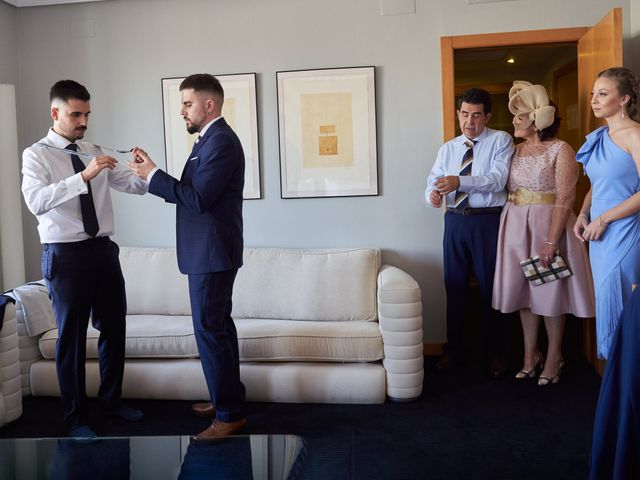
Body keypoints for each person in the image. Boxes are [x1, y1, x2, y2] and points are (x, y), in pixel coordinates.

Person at [21, 80, 147, 438]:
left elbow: (132, 185)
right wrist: (83, 176)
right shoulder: (37, 155)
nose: (83, 121)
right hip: (65, 255)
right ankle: (75, 418)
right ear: (55, 113)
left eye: (87, 114)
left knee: (114, 329)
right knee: (72, 337)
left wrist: (144, 171)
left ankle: (112, 402)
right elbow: (37, 202)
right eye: (76, 114)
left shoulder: (92, 149)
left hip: (103, 252)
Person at [128, 73, 247, 438]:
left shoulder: (221, 142)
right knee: (219, 329)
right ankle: (226, 398)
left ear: (208, 105)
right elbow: (192, 192)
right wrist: (152, 173)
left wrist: (153, 176)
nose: (182, 111)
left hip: (211, 255)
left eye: (187, 103)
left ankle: (228, 416)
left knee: (210, 331)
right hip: (207, 253)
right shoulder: (208, 140)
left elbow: (197, 199)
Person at [492, 81, 595, 385]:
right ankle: (529, 356)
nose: (514, 121)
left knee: (549, 293)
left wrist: (551, 240)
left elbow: (564, 198)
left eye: (519, 116)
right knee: (524, 294)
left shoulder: (560, 149)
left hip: (547, 226)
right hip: (514, 225)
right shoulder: (514, 150)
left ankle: (554, 358)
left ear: (537, 120)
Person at [425, 88, 514, 377]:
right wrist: (433, 196)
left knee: (491, 288)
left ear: (487, 116)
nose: (469, 121)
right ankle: (454, 350)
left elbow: (497, 180)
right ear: (458, 114)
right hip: (454, 221)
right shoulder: (448, 148)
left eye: (476, 115)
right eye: (464, 114)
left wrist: (458, 181)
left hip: (486, 221)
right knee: (454, 286)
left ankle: (497, 352)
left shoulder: (500, 140)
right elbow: (432, 181)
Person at [573, 67, 640, 359]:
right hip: (598, 235)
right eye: (593, 95)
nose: (595, 100)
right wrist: (583, 213)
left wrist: (604, 218)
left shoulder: (634, 135)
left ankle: (628, 389)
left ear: (623, 98)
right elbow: (597, 186)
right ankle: (616, 386)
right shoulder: (601, 136)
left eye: (603, 94)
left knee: (623, 304)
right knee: (605, 302)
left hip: (625, 232)